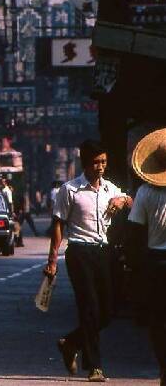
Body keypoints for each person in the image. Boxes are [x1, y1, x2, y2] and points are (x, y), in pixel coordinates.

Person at [45, 139, 133, 382]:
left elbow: (131, 200)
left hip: (104, 253)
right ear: (85, 164)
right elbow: (59, 225)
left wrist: (121, 200)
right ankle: (95, 366)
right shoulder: (70, 190)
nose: (100, 167)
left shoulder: (110, 189)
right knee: (89, 308)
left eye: (104, 161)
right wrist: (52, 260)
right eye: (96, 162)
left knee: (108, 310)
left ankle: (71, 343)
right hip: (79, 254)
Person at [126, 128, 166, 385]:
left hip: (155, 264)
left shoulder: (144, 193)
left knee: (157, 320)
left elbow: (135, 232)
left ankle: (164, 367)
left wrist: (132, 265)